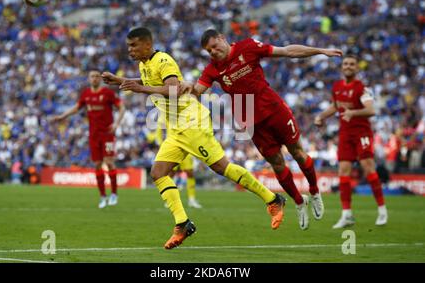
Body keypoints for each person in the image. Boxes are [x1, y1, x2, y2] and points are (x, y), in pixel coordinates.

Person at [102, 27, 286, 250]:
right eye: (128, 45)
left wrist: (140, 88)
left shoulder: (163, 61)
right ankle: (182, 223)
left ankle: (273, 199)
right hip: (176, 129)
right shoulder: (145, 64)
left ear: (147, 45)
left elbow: (172, 90)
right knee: (158, 173)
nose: (129, 50)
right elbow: (146, 82)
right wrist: (119, 80)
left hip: (191, 123)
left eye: (133, 45)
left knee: (222, 167)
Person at [181, 29, 342, 230]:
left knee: (298, 154)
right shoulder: (212, 69)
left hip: (274, 109)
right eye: (208, 50)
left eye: (214, 46)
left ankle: (315, 191)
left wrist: (320, 51)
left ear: (223, 38)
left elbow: (286, 51)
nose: (213, 52)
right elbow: (197, 91)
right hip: (251, 120)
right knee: (277, 163)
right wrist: (186, 86)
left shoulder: (247, 47)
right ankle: (300, 202)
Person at [314, 54, 388, 228]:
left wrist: (353, 113)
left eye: (351, 64)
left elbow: (371, 110)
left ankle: (382, 210)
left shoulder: (362, 88)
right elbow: (335, 106)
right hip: (345, 134)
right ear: (342, 67)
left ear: (357, 68)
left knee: (368, 167)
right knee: (343, 171)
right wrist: (321, 116)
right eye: (345, 63)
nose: (348, 66)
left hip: (362, 133)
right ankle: (346, 214)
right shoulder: (337, 86)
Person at [51, 70, 125, 209]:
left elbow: (121, 107)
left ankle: (114, 193)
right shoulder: (86, 94)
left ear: (100, 79)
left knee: (109, 162)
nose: (95, 78)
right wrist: (62, 116)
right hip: (94, 135)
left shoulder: (108, 93)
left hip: (108, 134)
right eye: (92, 76)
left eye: (97, 76)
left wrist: (116, 124)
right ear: (89, 79)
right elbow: (77, 108)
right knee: (97, 165)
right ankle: (103, 196)